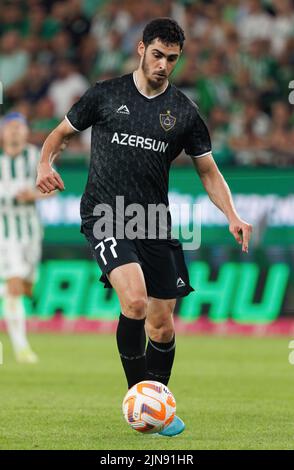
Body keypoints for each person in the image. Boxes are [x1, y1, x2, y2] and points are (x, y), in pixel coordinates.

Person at [36, 18, 252, 436]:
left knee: (162, 323)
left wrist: (232, 214)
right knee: (133, 302)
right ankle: (140, 398)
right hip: (105, 213)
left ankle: (156, 401)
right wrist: (45, 162)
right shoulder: (105, 95)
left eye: (172, 58)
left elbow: (208, 171)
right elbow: (59, 135)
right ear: (140, 49)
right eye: (157, 55)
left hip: (153, 220)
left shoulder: (184, 112)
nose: (164, 65)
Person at [0, 112, 48, 363]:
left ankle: (5, 290)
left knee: (27, 287)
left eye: (20, 127)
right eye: (11, 127)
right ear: (3, 132)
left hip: (31, 232)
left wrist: (34, 196)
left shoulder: (35, 157)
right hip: (4, 234)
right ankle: (22, 348)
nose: (15, 131)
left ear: (27, 132)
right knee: (15, 285)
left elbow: (53, 190)